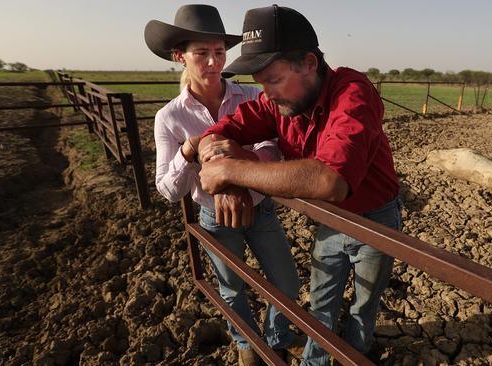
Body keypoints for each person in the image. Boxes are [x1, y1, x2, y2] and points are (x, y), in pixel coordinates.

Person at [197, 5, 402, 365]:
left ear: (309, 63)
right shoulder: (278, 102)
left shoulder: (352, 93)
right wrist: (220, 169)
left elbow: (329, 180)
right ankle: (316, 361)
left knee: (364, 303)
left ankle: (356, 353)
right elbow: (218, 132)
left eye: (273, 80)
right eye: (261, 83)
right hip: (330, 219)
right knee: (321, 297)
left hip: (374, 218)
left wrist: (231, 172)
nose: (267, 93)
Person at [144, 5, 300, 365]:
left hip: (259, 206)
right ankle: (247, 345)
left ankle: (276, 337)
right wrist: (188, 149)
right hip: (214, 215)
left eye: (219, 52)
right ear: (179, 57)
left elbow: (271, 150)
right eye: (201, 54)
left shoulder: (248, 97)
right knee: (231, 289)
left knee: (287, 283)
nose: (213, 63)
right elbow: (168, 190)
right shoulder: (170, 117)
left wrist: (233, 178)